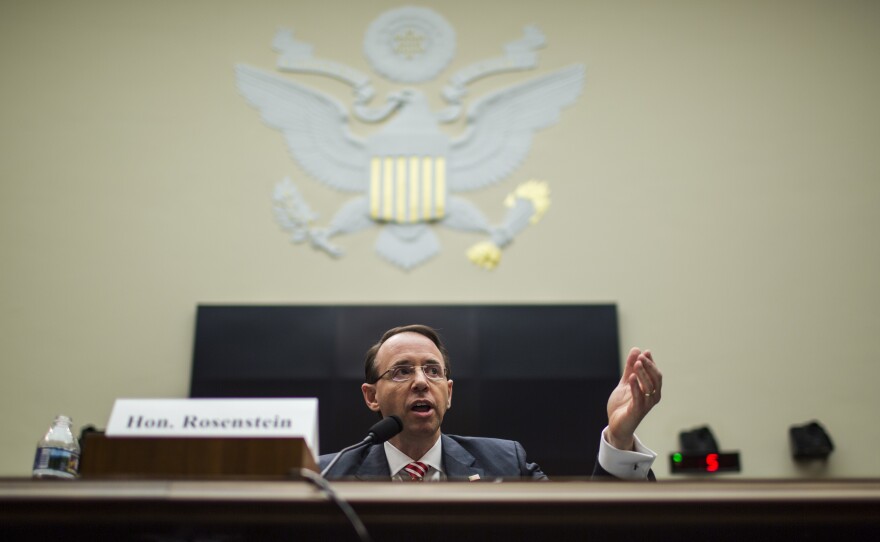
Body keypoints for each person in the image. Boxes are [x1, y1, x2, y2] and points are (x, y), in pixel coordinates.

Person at [318, 324, 662, 481]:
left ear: (448, 393)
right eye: (402, 372)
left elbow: (583, 530)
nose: (421, 382)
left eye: (433, 371)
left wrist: (618, 439)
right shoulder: (329, 475)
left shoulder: (505, 463)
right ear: (371, 396)